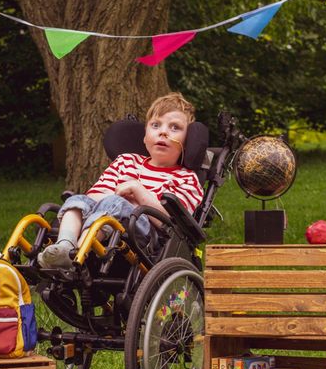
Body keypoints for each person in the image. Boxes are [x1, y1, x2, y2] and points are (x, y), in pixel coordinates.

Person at [38, 92, 204, 268]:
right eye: (156, 125)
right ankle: (64, 246)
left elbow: (174, 224)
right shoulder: (126, 162)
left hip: (147, 234)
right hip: (104, 218)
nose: (163, 132)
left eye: (174, 128)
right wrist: (116, 197)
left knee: (114, 203)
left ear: (186, 143)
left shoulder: (186, 178)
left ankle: (78, 254)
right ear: (145, 138)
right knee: (76, 201)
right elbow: (95, 195)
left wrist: (138, 192)